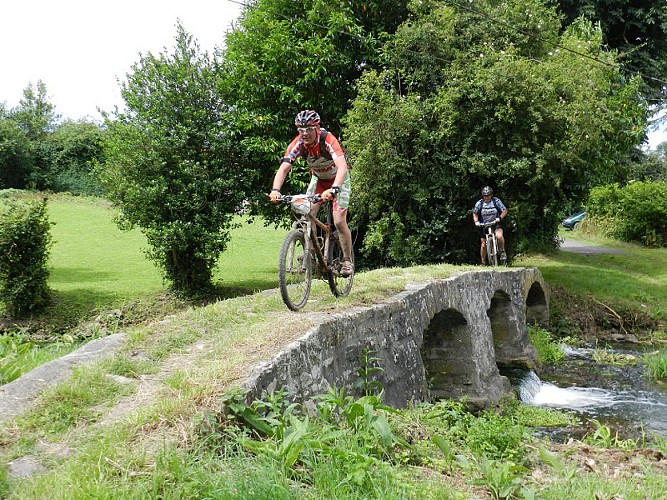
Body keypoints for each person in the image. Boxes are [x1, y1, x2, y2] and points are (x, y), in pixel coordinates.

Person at [269, 110, 354, 277]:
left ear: (317, 128)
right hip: (319, 181)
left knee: (338, 221)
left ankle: (346, 260)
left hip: (339, 180)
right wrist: (275, 190)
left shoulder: (327, 139)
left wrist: (335, 188)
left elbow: (342, 166)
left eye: (308, 129)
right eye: (300, 129)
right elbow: (284, 168)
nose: (304, 133)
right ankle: (314, 252)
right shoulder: (298, 143)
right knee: (307, 213)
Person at [472, 186, 508, 265]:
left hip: (495, 223)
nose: (486, 197)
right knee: (483, 244)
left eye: (488, 195)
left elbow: (504, 210)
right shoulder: (479, 203)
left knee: (499, 236)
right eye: (485, 195)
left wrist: (500, 218)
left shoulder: (496, 201)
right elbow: (475, 213)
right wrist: (476, 221)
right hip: (484, 225)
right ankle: (483, 261)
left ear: (491, 195)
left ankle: (502, 252)